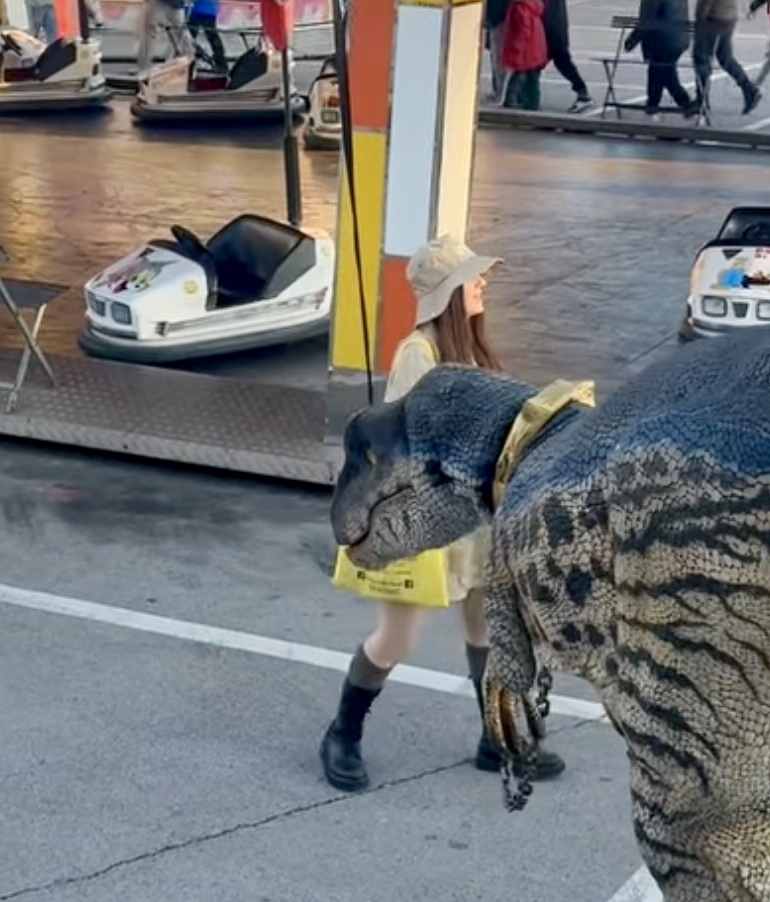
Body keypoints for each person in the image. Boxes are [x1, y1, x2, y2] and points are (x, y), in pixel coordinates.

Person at [319, 234, 568, 793]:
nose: (483, 283)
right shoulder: (419, 354)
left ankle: (495, 740)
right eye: (472, 278)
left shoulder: (472, 351)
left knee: (488, 631)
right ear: (447, 293)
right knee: (397, 641)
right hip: (431, 527)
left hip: (477, 521)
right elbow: (410, 448)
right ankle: (342, 733)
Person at [624, 0, 695, 119]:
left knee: (663, 73)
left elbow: (647, 22)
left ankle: (684, 104)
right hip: (678, 39)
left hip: (662, 41)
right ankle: (653, 106)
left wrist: (631, 41)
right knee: (660, 72)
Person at [693, 0, 762, 116]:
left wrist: (699, 19)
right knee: (725, 58)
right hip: (728, 16)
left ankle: (702, 98)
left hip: (714, 17)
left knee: (702, 58)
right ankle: (749, 89)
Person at [542, 0, 594, 113]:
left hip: (552, 29)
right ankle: (582, 92)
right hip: (553, 27)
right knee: (559, 61)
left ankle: (582, 92)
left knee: (561, 61)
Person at [502, 0, 547, 111]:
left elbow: (523, 29)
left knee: (519, 73)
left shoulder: (520, 7)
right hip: (536, 44)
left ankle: (511, 100)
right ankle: (532, 102)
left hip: (526, 47)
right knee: (532, 76)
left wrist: (516, 47)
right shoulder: (534, 5)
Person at [187, 0, 227, 72]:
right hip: (211, 10)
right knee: (213, 36)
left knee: (189, 37)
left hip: (198, 10)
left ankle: (185, 59)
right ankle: (221, 62)